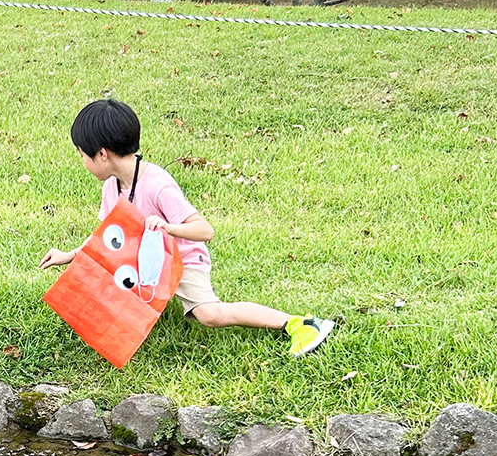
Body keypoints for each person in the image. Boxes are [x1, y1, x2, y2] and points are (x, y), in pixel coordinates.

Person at [39, 98, 335, 356]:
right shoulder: (111, 187)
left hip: (182, 259)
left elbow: (204, 231)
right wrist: (70, 255)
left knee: (209, 314)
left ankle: (300, 324)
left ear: (102, 154)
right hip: (143, 261)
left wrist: (167, 228)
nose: (82, 162)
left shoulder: (157, 185)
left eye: (81, 155)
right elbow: (107, 238)